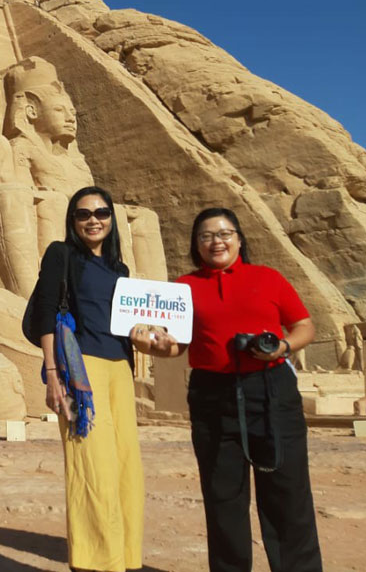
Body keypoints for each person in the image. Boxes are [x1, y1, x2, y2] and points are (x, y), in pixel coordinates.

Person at [132, 208, 322, 572]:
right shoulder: (184, 288)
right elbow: (177, 346)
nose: (216, 241)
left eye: (224, 233)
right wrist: (150, 346)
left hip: (271, 391)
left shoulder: (268, 278)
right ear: (195, 244)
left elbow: (303, 326)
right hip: (212, 395)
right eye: (206, 236)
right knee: (223, 498)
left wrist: (281, 347)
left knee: (287, 495)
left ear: (239, 239)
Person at [23, 186, 144, 572]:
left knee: (127, 468)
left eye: (101, 212)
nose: (94, 220)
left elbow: (129, 327)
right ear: (72, 220)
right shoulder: (62, 254)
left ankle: (126, 558)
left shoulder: (120, 270)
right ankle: (96, 562)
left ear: (111, 218)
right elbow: (45, 310)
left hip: (119, 370)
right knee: (93, 467)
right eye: (84, 214)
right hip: (81, 369)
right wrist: (53, 375)